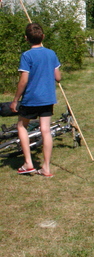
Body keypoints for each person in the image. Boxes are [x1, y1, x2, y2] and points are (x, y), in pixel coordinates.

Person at [10, 23, 62, 177]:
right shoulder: (51, 54)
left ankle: (28, 163)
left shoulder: (27, 55)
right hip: (47, 98)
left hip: (32, 98)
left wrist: (15, 100)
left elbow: (23, 80)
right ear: (43, 37)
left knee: (21, 126)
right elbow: (58, 77)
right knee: (45, 130)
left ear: (26, 38)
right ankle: (46, 167)